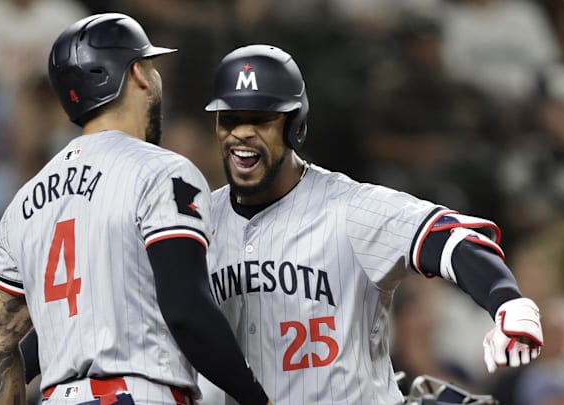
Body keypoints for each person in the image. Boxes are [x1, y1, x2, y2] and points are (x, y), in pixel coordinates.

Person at [203, 44, 544, 404]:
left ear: (294, 126)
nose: (241, 133)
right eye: (229, 119)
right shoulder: (199, 222)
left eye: (259, 120)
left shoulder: (349, 209)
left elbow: (450, 239)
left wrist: (508, 302)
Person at [0, 14, 270, 405]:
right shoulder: (162, 170)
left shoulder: (24, 203)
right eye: (151, 66)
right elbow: (185, 310)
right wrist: (254, 397)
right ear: (138, 74)